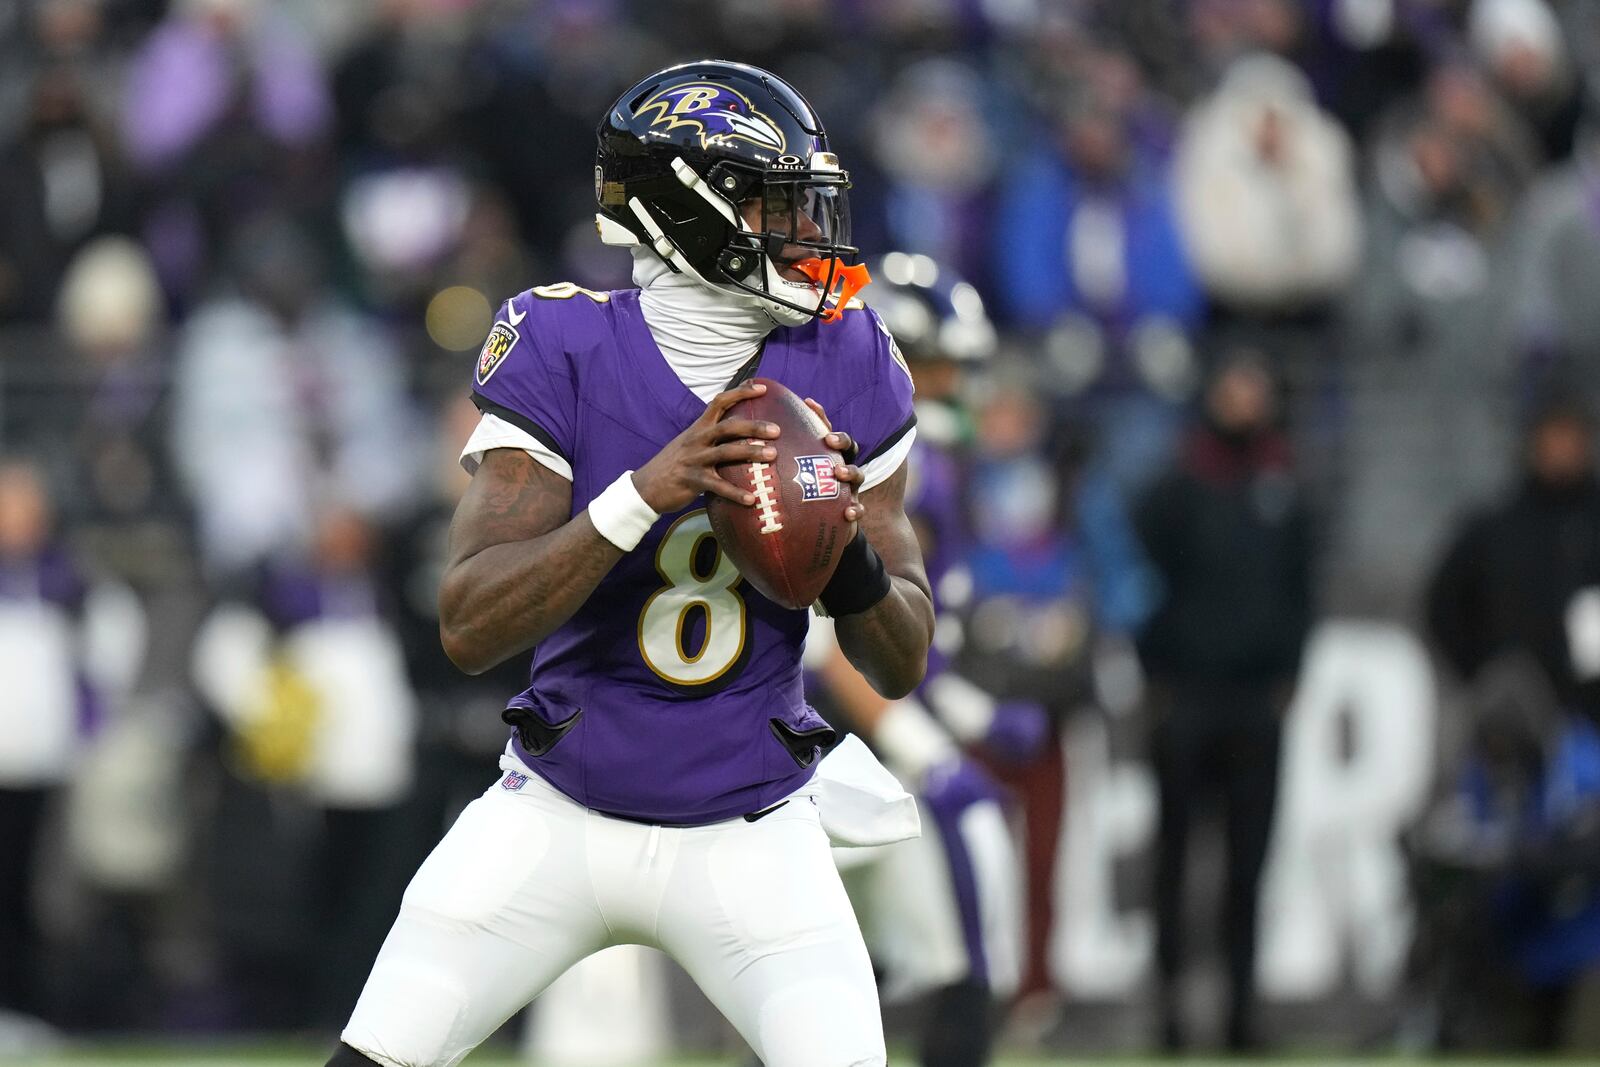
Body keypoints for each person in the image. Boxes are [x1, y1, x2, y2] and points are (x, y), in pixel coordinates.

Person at [327, 61, 933, 1067]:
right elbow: (470, 623)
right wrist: (642, 491)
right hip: (558, 811)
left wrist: (842, 547)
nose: (804, 227)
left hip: (752, 821)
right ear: (682, 210)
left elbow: (901, 658)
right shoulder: (564, 340)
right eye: (770, 198)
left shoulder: (851, 353)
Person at [807, 253, 1039, 1067]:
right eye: (941, 368)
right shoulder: (877, 467)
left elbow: (922, 646)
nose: (959, 389)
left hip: (863, 730)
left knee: (832, 967)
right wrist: (928, 744)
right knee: (847, 951)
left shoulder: (934, 468)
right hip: (824, 736)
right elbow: (829, 639)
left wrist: (963, 714)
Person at [1133, 354, 1312, 1051]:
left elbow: (1302, 590)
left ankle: (1242, 1014)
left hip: (1253, 704)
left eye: (1253, 387)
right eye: (1232, 384)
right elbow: (1135, 583)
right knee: (1174, 861)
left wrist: (1288, 672)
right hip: (1187, 700)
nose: (1243, 399)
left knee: (1248, 868)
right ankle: (1170, 1014)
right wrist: (1157, 674)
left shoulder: (1285, 483)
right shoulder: (1177, 485)